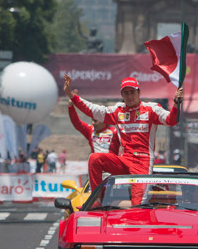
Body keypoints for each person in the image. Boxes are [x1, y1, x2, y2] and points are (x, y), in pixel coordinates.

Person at [63, 73, 183, 205]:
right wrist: (71, 95)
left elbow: (171, 120)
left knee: (138, 205)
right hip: (124, 159)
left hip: (142, 163)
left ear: (139, 92)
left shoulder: (151, 109)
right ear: (122, 95)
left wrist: (176, 104)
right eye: (126, 93)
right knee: (94, 158)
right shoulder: (117, 110)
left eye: (132, 92)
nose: (130, 96)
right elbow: (92, 110)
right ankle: (97, 200)